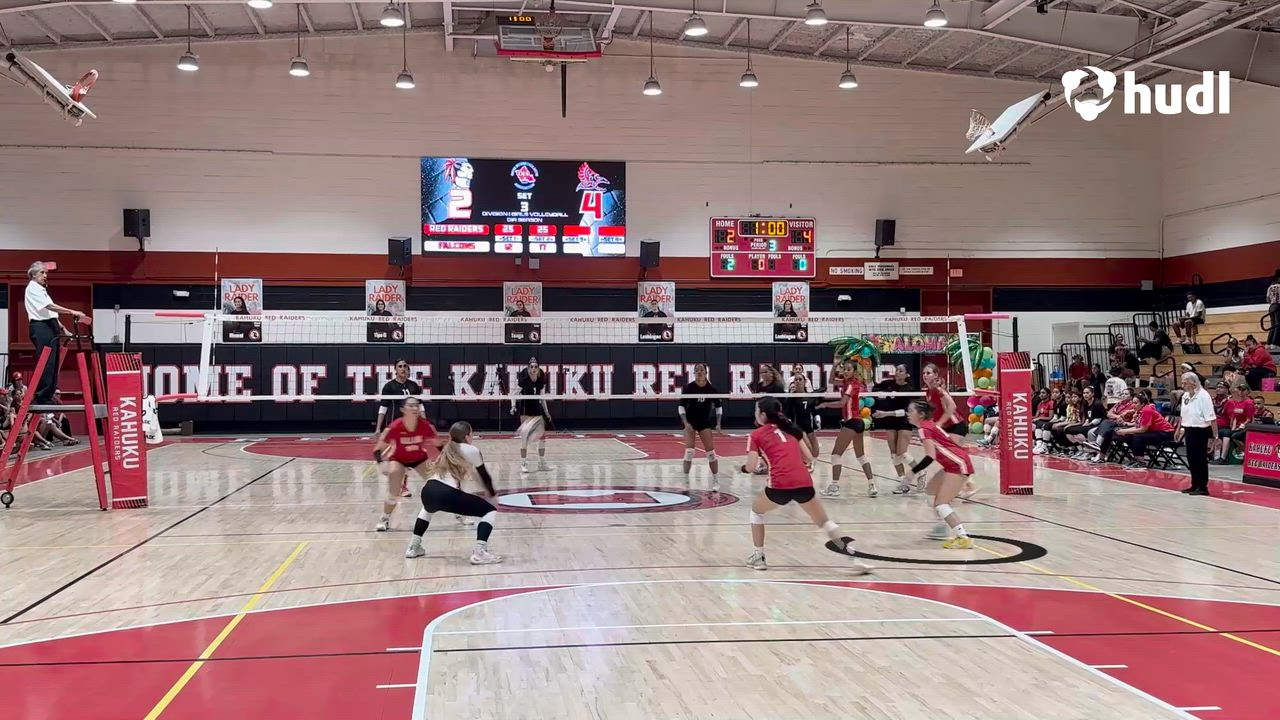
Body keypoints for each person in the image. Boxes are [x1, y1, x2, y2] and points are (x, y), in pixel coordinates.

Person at [740, 397, 871, 574]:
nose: (755, 413)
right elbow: (809, 458)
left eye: (756, 410)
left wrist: (742, 469)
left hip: (779, 484)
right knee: (825, 522)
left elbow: (750, 467)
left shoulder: (756, 435)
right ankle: (854, 559)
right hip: (803, 481)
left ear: (763, 415)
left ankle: (759, 556)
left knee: (756, 512)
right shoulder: (791, 429)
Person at [404, 421, 502, 565]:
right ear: (467, 436)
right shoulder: (472, 450)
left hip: (428, 490)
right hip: (446, 493)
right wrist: (492, 495)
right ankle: (479, 552)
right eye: (471, 434)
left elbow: (469, 475)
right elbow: (484, 476)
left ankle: (413, 547)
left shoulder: (447, 448)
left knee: (427, 510)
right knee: (489, 511)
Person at [906, 399, 977, 550]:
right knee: (931, 492)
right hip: (953, 463)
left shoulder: (924, 429)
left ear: (921, 414)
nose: (908, 414)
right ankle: (941, 527)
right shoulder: (928, 425)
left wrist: (912, 473)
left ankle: (963, 538)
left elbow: (930, 456)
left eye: (911, 411)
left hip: (957, 464)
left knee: (941, 504)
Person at [372, 397, 442, 532]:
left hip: (419, 459)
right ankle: (384, 518)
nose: (415, 408)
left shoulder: (426, 426)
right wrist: (381, 465)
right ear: (403, 409)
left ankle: (460, 514)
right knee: (393, 491)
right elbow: (377, 450)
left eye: (416, 405)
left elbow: (439, 445)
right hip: (398, 459)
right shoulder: (394, 427)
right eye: (411, 406)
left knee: (441, 484)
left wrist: (444, 459)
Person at [24, 262, 85, 404]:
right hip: (41, 326)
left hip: (50, 325)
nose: (45, 276)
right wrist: (71, 311)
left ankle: (48, 394)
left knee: (54, 362)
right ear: (33, 274)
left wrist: (64, 329)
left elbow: (51, 314)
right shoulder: (33, 288)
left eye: (46, 273)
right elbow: (50, 307)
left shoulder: (42, 290)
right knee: (47, 361)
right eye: (42, 273)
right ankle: (41, 396)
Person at [821, 357, 876, 498]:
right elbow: (831, 381)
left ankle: (834, 486)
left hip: (852, 422)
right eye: (844, 369)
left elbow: (842, 403)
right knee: (861, 456)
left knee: (835, 454)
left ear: (854, 372)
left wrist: (825, 404)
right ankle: (872, 485)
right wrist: (834, 365)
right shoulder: (846, 382)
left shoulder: (852, 385)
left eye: (848, 369)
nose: (845, 371)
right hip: (858, 422)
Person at [921, 362, 977, 499]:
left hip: (956, 425)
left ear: (935, 375)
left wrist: (939, 423)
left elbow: (952, 407)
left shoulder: (938, 390)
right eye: (924, 373)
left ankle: (968, 485)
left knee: (955, 457)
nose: (925, 375)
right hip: (946, 427)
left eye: (928, 373)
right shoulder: (928, 391)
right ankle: (965, 485)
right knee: (953, 457)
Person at [374, 359, 423, 497]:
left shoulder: (414, 386)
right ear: (395, 369)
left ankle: (402, 485)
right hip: (395, 426)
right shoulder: (389, 386)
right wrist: (378, 428)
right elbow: (383, 408)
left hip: (411, 426)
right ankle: (398, 482)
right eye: (400, 366)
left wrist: (424, 422)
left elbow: (420, 406)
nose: (403, 368)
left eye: (405, 366)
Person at [873, 364, 918, 494]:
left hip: (904, 421)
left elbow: (906, 411)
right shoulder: (888, 384)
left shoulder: (910, 389)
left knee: (901, 454)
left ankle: (921, 472)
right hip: (890, 421)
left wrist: (885, 413)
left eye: (901, 371)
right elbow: (873, 389)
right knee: (894, 456)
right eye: (897, 370)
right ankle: (903, 483)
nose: (897, 372)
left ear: (907, 374)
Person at [678, 363, 723, 491]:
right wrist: (686, 423)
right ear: (694, 373)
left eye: (701, 370)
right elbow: (681, 406)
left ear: (706, 372)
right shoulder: (688, 388)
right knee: (689, 452)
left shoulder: (711, 389)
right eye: (697, 370)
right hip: (690, 423)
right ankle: (686, 481)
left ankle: (716, 481)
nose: (699, 372)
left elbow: (719, 407)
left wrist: (718, 423)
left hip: (704, 423)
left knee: (711, 454)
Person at [1175, 372, 1216, 496]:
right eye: (1182, 383)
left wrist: (1215, 436)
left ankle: (1202, 486)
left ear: (1193, 383)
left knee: (1200, 458)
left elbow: (1212, 418)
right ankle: (1194, 484)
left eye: (1185, 383)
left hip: (1201, 430)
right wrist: (1178, 429)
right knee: (1191, 458)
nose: (1182, 385)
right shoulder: (1185, 396)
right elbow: (1183, 415)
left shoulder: (1204, 396)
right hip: (1189, 429)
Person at [1115, 389, 1175, 466]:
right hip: (1154, 432)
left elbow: (1143, 429)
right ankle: (1136, 458)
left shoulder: (1147, 410)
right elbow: (1138, 427)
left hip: (1166, 433)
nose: (1133, 405)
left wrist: (1125, 431)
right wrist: (1124, 431)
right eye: (1132, 403)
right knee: (1128, 436)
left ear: (1142, 404)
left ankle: (1141, 462)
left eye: (1136, 403)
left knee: (1138, 437)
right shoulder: (1139, 411)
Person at [512, 357, 551, 474]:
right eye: (532, 367)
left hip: (537, 411)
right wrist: (513, 406)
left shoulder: (540, 381)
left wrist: (547, 412)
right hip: (525, 411)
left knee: (543, 438)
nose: (534, 368)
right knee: (525, 438)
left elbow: (542, 398)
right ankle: (523, 463)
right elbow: (514, 394)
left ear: (538, 368)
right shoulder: (524, 380)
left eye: (536, 367)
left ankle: (541, 463)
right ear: (528, 368)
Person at [1086, 385, 1138, 463]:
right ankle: (1095, 452)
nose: (1123, 395)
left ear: (1131, 397)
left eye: (1126, 394)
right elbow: (1108, 414)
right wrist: (1118, 416)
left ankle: (1098, 445)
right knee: (1091, 432)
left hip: (1122, 425)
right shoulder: (1118, 403)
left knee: (1106, 424)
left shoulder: (1133, 405)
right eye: (1122, 394)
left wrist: (1117, 416)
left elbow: (1123, 418)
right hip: (1111, 424)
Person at [787, 365, 820, 461]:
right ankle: (804, 461)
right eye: (796, 380)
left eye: (800, 379)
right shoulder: (791, 397)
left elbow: (814, 411)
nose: (798, 381)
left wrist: (817, 419)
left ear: (805, 382)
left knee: (816, 453)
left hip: (809, 426)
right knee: (809, 453)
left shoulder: (810, 396)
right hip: (799, 428)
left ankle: (806, 460)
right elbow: (788, 413)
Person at [1215, 383, 1254, 463]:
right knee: (1224, 433)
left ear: (1248, 391)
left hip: (1245, 427)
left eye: (1243, 390)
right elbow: (1234, 417)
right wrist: (1233, 428)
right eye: (1239, 389)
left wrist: (1241, 426)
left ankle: (1248, 453)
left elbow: (1249, 419)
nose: (1241, 392)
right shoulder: (1237, 403)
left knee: (1234, 436)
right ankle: (1217, 457)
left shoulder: (1249, 403)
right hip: (1237, 426)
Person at [1032, 388, 1061, 455]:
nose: (1041, 395)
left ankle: (1043, 446)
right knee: (1031, 424)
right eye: (1040, 393)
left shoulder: (1051, 403)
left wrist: (1039, 418)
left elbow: (1050, 417)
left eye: (1043, 393)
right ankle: (1038, 445)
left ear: (1048, 394)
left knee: (1038, 424)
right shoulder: (1040, 404)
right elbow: (1036, 416)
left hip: (1046, 421)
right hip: (1039, 421)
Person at [1265, 268, 1280, 351]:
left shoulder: (1270, 287)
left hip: (1271, 307)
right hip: (1278, 306)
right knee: (1278, 324)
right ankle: (1275, 343)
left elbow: (1267, 299)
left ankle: (1268, 343)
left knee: (1273, 325)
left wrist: (1272, 302)